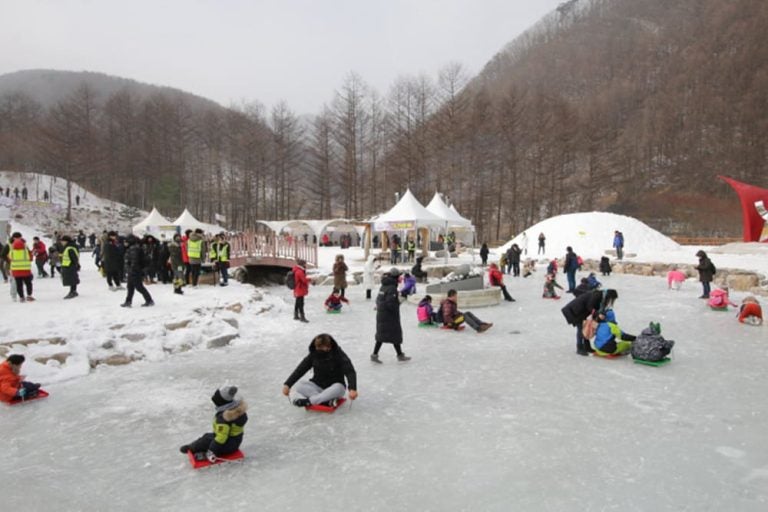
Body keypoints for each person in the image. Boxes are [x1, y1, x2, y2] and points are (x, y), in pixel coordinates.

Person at [283, 333, 358, 407]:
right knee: (300, 386)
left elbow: (349, 370)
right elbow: (300, 369)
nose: (318, 349)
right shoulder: (313, 354)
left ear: (329, 346)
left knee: (338, 387)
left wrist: (352, 388)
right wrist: (287, 384)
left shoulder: (338, 354)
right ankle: (325, 401)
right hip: (318, 386)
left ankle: (310, 401)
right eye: (317, 347)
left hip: (334, 387)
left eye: (322, 347)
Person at [180, 386, 248, 462]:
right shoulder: (235, 411)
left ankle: (207, 454)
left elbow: (221, 438)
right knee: (207, 437)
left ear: (221, 402)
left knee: (209, 441)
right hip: (234, 441)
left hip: (228, 445)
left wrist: (212, 451)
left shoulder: (224, 419)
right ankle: (192, 447)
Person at [561, 288, 618, 356]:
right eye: (611, 299)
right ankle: (579, 348)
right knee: (581, 329)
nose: (610, 301)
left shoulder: (602, 297)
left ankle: (587, 347)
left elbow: (596, 309)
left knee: (585, 328)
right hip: (574, 311)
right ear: (609, 296)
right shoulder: (597, 295)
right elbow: (589, 306)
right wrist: (597, 314)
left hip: (580, 312)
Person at [371, 268, 410, 363]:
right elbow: (391, 304)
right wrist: (400, 300)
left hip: (382, 314)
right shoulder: (392, 287)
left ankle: (376, 355)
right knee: (394, 334)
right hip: (389, 316)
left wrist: (380, 307)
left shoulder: (384, 286)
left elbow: (378, 299)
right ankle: (399, 355)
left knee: (383, 335)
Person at [121, 235, 154, 307]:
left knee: (139, 287)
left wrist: (132, 270)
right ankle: (128, 301)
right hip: (132, 271)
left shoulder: (134, 249)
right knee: (130, 287)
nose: (125, 243)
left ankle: (149, 300)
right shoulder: (132, 248)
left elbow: (134, 261)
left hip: (135, 271)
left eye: (126, 241)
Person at [9, 232, 34, 302]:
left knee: (19, 284)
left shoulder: (12, 247)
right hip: (26, 268)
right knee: (28, 283)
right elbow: (30, 256)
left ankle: (21, 297)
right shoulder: (25, 247)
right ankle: (29, 296)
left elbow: (10, 257)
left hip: (16, 269)